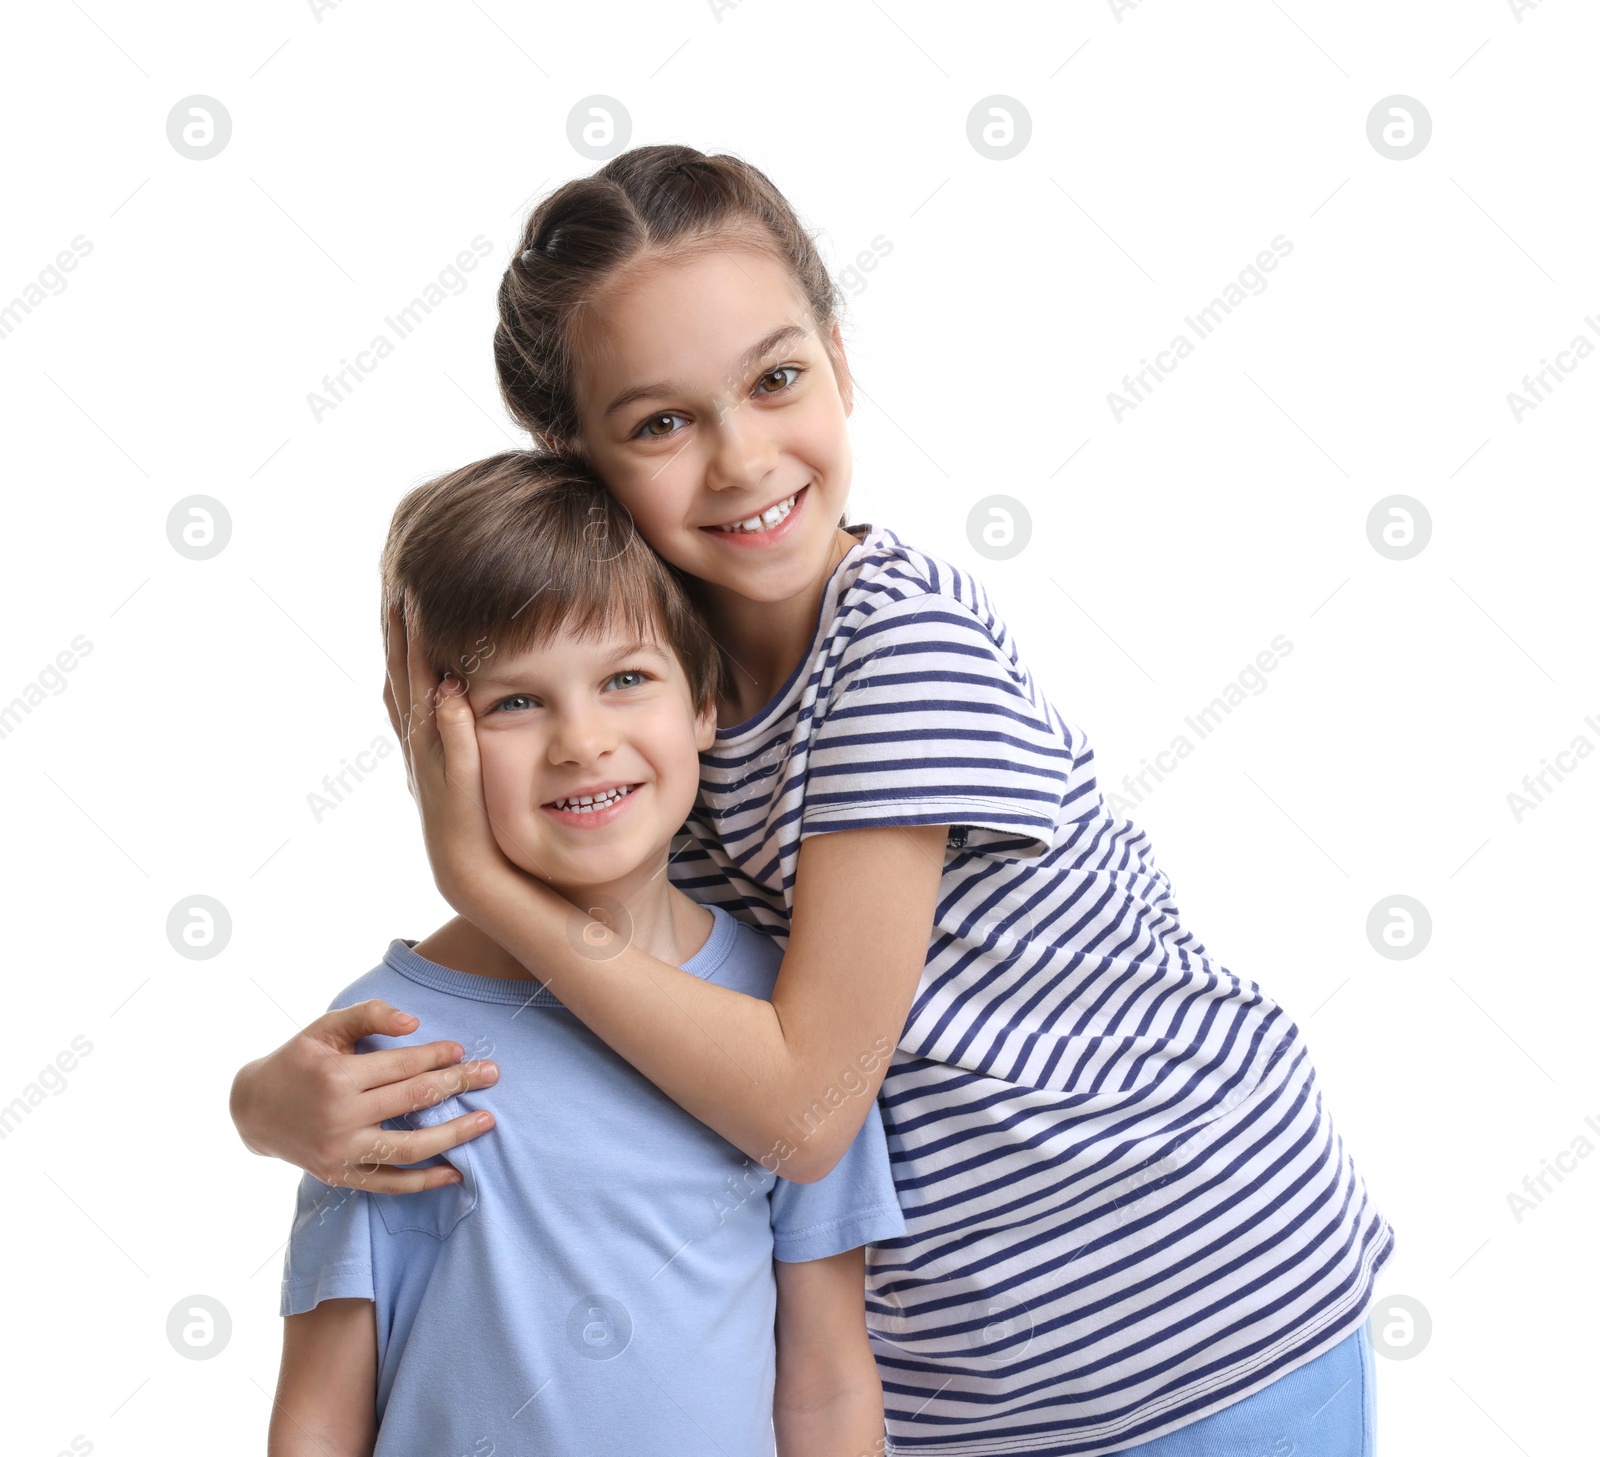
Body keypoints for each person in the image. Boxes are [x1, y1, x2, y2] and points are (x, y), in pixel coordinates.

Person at [236, 144, 1394, 1457]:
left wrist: (486, 881)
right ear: (575, 461)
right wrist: (273, 1107)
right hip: (957, 1391)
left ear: (840, 363)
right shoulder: (653, 701)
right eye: (660, 422)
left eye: (776, 379)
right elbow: (580, 1015)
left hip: (1196, 1308)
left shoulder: (902, 649)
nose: (740, 460)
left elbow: (804, 1106)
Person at [266, 453, 906, 1457]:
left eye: (625, 678)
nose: (580, 740)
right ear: (426, 736)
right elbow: (318, 1408)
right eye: (514, 701)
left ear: (703, 700)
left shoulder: (788, 1020)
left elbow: (825, 1379)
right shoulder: (384, 1043)